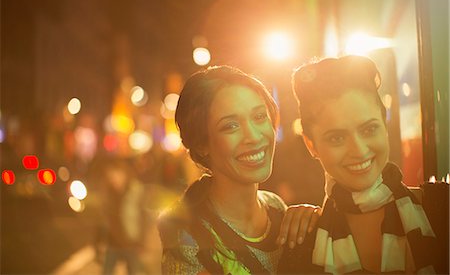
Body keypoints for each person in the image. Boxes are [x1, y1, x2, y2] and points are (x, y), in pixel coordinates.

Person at [279, 55, 442, 274]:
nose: (359, 150)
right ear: (311, 145)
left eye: (368, 129)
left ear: (384, 125)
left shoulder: (441, 207)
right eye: (337, 138)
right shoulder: (301, 240)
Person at [157, 66, 320, 274]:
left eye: (260, 116)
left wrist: (314, 222)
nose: (253, 136)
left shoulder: (277, 208)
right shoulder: (188, 240)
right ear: (201, 144)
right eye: (230, 126)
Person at [96, 157, 147, 275]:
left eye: (116, 175)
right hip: (111, 243)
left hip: (131, 241)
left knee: (134, 271)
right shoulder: (107, 193)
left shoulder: (136, 191)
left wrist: (142, 241)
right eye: (110, 176)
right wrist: (98, 244)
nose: (114, 179)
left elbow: (143, 217)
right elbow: (101, 220)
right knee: (106, 272)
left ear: (124, 174)